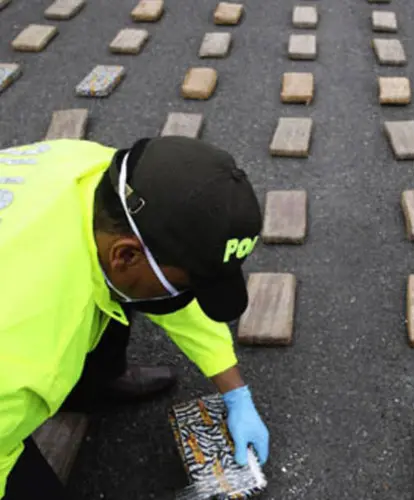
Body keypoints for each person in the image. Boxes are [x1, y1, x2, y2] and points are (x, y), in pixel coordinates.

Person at [0, 136, 270, 499]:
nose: (184, 297)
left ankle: (93, 384)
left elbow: (173, 280)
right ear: (125, 256)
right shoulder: (23, 356)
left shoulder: (103, 180)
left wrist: (236, 392)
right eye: (185, 285)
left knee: (131, 289)